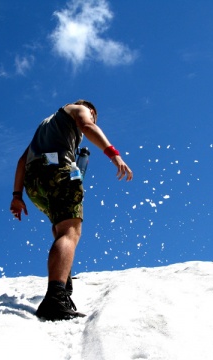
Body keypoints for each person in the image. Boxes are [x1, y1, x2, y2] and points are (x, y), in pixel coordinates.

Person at [10, 100, 133, 321]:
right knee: (70, 231)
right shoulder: (78, 109)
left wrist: (17, 196)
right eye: (94, 116)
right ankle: (56, 298)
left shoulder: (46, 126)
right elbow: (87, 126)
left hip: (34, 184)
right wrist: (114, 153)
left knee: (60, 228)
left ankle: (63, 287)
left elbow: (22, 160)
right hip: (57, 172)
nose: (91, 118)